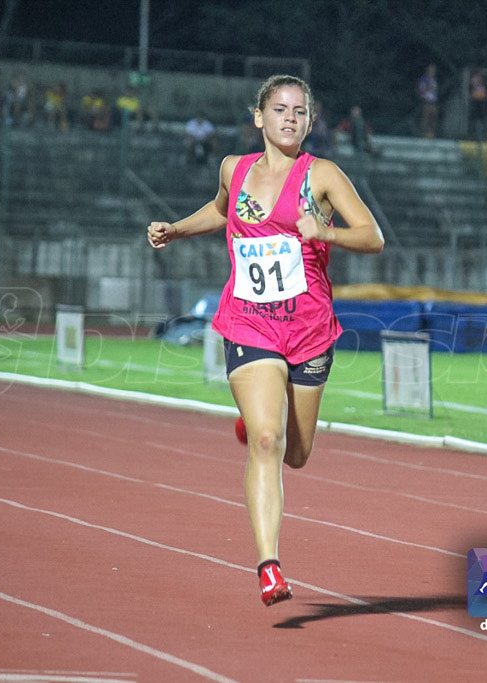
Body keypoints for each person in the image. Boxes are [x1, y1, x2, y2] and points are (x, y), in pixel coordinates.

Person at [146, 74, 384, 607]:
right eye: (279, 109)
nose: (289, 119)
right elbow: (220, 209)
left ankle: (258, 422)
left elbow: (372, 236)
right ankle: (269, 566)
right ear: (259, 117)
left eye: (300, 112)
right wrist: (175, 229)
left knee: (296, 453)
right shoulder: (236, 168)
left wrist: (326, 233)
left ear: (310, 122)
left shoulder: (321, 175)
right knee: (267, 444)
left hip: (310, 329)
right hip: (249, 323)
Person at [417, 63, 438, 138]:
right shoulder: (424, 79)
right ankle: (424, 134)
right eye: (431, 70)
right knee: (426, 118)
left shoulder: (434, 80)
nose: (432, 71)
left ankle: (431, 133)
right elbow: (421, 89)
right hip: (427, 101)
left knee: (433, 118)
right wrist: (424, 97)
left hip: (433, 100)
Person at [467, 70, 487, 141]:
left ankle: (483, 136)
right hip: (475, 102)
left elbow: (486, 95)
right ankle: (471, 135)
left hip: (481, 103)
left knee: (482, 120)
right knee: (473, 119)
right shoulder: (473, 81)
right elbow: (470, 92)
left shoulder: (484, 84)